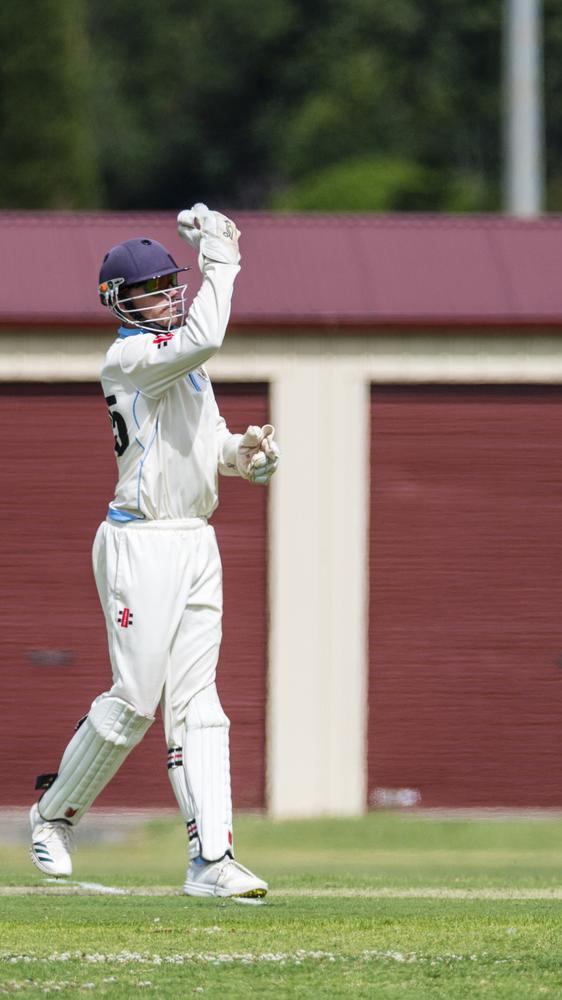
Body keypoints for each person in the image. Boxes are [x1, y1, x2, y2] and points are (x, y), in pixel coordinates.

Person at [29, 204, 279, 901]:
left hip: (196, 539)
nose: (167, 297)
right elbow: (205, 336)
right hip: (138, 543)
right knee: (136, 700)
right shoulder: (132, 356)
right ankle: (53, 816)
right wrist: (222, 262)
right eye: (150, 293)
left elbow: (212, 442)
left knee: (199, 703)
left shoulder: (184, 364)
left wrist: (246, 456)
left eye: (172, 285)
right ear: (119, 304)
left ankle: (212, 860)